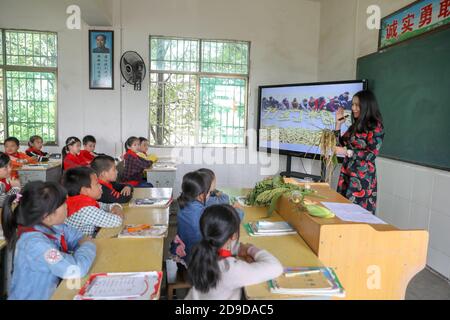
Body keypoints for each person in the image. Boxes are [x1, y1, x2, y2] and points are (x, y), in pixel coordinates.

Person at [1, 181, 96, 300]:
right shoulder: (35, 244)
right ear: (47, 215)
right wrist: (88, 245)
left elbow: (78, 237)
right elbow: (75, 269)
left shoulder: (53, 226)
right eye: (63, 203)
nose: (67, 205)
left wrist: (83, 244)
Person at [185, 204, 283, 300]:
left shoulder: (198, 253)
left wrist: (238, 249)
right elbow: (276, 267)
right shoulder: (230, 269)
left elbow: (224, 249)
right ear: (234, 235)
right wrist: (250, 249)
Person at [334, 90, 384, 214]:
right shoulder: (355, 126)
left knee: (357, 216)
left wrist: (347, 152)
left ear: (366, 106)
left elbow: (372, 154)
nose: (354, 108)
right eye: (353, 105)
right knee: (342, 212)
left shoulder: (376, 126)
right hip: (347, 174)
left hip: (363, 179)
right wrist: (338, 125)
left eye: (357, 105)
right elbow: (337, 146)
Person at [63, 167, 124, 237]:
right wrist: (118, 210)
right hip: (81, 246)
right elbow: (117, 221)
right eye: (97, 183)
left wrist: (116, 207)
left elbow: (105, 206)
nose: (101, 186)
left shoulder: (78, 201)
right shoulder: (85, 209)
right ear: (85, 190)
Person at [171, 171, 213, 261]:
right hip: (196, 256)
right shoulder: (202, 214)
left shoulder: (185, 203)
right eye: (209, 192)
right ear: (201, 195)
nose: (210, 194)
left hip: (183, 249)